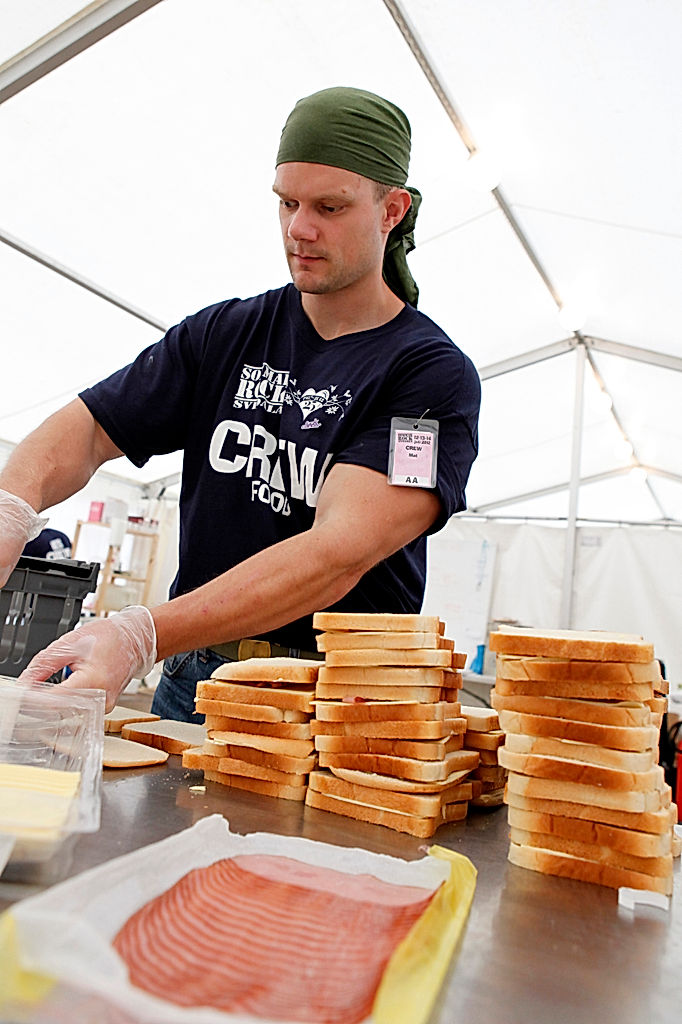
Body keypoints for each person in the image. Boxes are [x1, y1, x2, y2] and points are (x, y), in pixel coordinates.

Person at [0, 86, 481, 719]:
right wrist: (12, 504)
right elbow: (89, 430)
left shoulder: (427, 376)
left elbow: (336, 555)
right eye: (287, 202)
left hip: (329, 703)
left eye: (330, 207)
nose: (299, 229)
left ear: (392, 210)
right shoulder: (225, 334)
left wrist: (141, 633)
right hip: (193, 679)